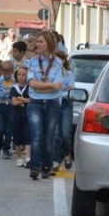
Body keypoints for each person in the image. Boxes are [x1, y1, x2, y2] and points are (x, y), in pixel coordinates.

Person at [26, 31, 64, 180]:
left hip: (52, 104)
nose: (38, 44)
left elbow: (58, 86)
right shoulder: (33, 62)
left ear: (49, 43)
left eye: (41, 42)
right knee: (36, 136)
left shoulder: (58, 63)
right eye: (37, 42)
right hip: (35, 103)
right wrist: (49, 85)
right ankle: (34, 167)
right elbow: (33, 85)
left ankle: (46, 167)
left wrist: (44, 86)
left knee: (49, 138)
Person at [54, 50, 75, 171]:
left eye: (60, 59)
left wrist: (59, 91)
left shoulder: (68, 74)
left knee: (65, 133)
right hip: (54, 104)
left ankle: (67, 154)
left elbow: (70, 90)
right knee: (56, 135)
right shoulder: (52, 74)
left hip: (66, 104)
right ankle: (56, 159)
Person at [0, 61, 15, 158]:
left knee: (8, 130)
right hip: (0, 106)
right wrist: (7, 93)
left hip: (10, 107)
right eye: (5, 73)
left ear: (12, 72)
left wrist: (6, 93)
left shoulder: (14, 81)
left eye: (8, 74)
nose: (6, 75)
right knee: (0, 128)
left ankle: (6, 149)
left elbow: (14, 93)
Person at [10, 66, 31, 167]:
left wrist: (21, 99)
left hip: (27, 115)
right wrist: (25, 100)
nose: (21, 77)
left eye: (24, 75)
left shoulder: (30, 87)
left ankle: (28, 157)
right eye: (19, 74)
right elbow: (14, 102)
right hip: (16, 116)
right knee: (17, 137)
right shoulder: (14, 88)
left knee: (28, 136)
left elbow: (31, 100)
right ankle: (19, 158)